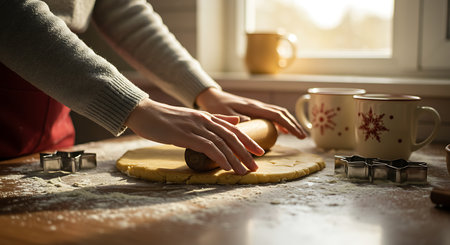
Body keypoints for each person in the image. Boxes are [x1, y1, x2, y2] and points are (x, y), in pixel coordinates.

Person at [0, 0, 306, 175]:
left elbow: (125, 10)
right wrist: (134, 106)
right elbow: (10, 12)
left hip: (53, 127)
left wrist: (205, 92)